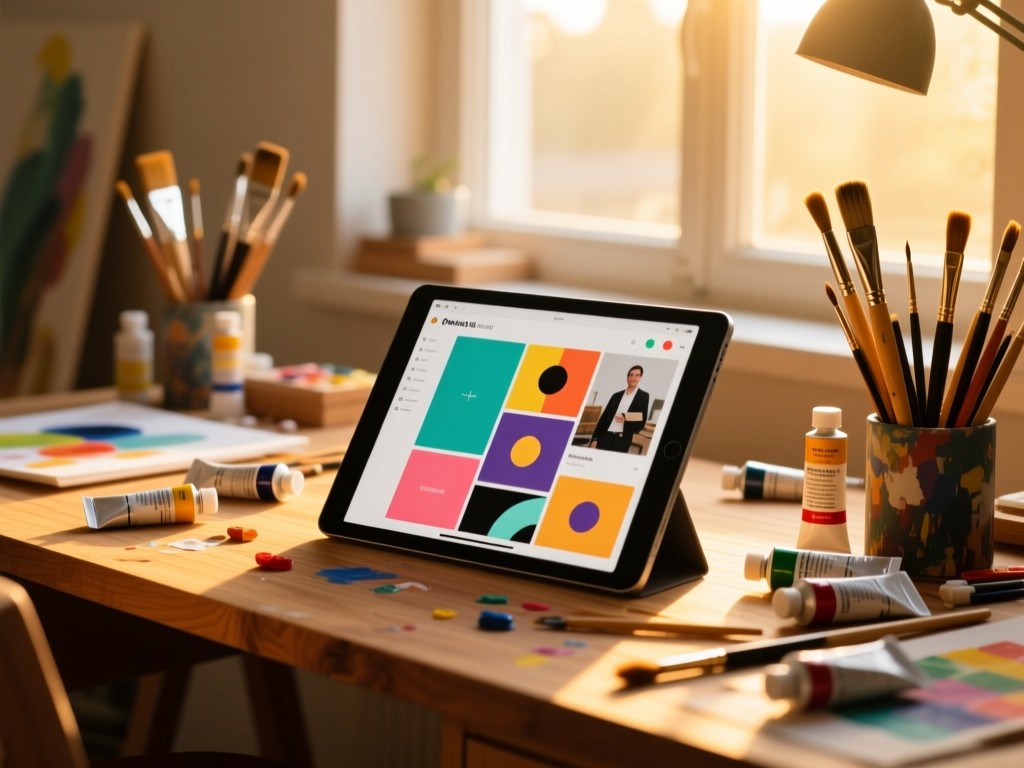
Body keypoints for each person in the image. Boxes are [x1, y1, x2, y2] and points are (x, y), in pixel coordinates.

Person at [589, 365, 649, 453]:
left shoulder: (643, 396)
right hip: (606, 436)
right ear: (627, 377)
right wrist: (594, 438)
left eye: (637, 375)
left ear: (640, 378)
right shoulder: (616, 396)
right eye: (631, 375)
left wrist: (626, 420)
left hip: (622, 440)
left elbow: (641, 423)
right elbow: (603, 419)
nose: (633, 378)